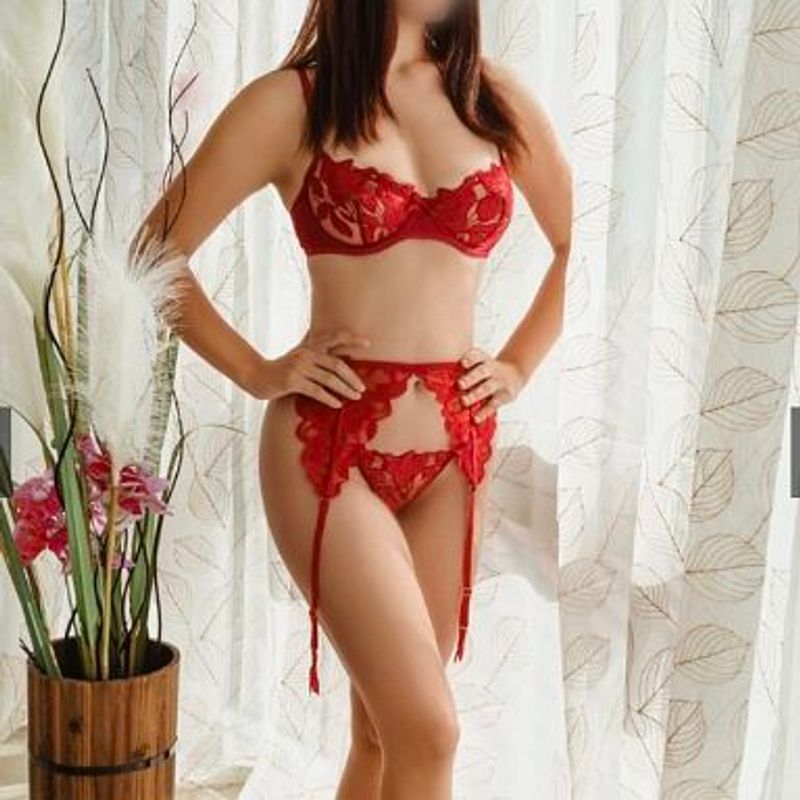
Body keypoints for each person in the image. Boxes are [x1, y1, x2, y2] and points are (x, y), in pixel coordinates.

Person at [135, 1, 571, 797]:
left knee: (382, 733)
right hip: (328, 453)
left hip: (455, 457)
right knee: (429, 732)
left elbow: (576, 245)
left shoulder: (492, 98)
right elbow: (155, 252)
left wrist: (516, 365)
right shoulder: (293, 102)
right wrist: (257, 370)